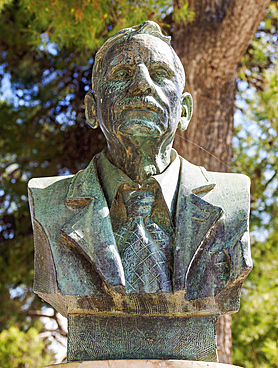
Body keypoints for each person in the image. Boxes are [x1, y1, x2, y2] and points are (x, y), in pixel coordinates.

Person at [28, 21, 252, 362]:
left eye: (159, 73)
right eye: (121, 73)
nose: (140, 85)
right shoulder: (48, 203)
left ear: (185, 111)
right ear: (92, 108)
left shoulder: (231, 200)